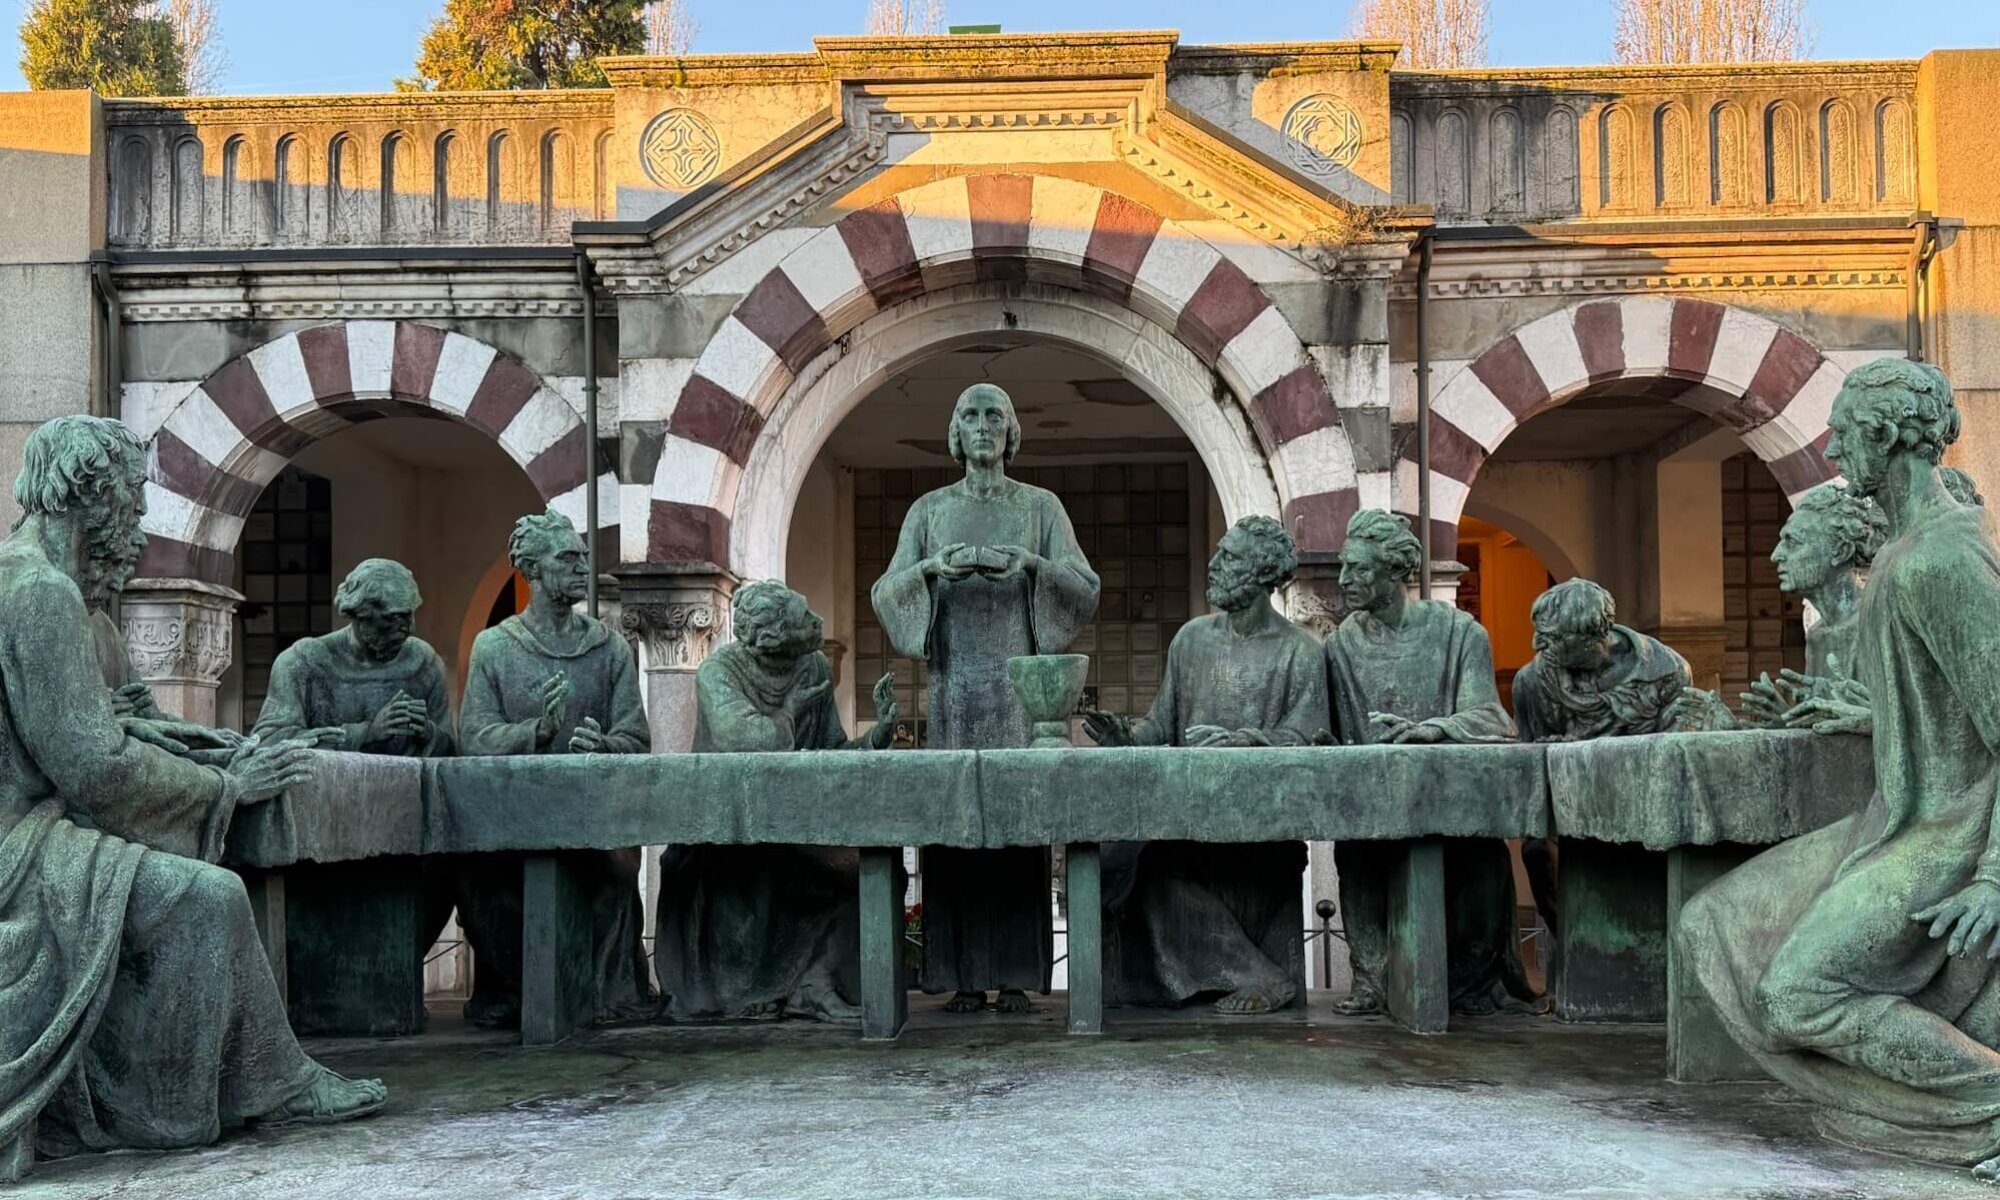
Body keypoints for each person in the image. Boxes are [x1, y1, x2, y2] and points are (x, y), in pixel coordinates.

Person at [0, 415, 380, 1180]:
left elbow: (112, 725)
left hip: (47, 823)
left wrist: (195, 747)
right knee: (208, 898)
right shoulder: (39, 594)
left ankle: (239, 1082)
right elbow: (95, 766)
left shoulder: (58, 594)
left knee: (199, 893)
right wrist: (226, 789)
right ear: (90, 493)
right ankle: (205, 1099)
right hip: (23, 843)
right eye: (132, 498)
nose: (138, 517)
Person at [1678, 358, 2000, 1182]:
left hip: (1946, 833)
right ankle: (1880, 1100)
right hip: (1898, 815)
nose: (1830, 447)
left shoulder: (1942, 561)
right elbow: (1949, 700)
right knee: (1710, 924)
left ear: (1887, 435)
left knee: (1796, 994)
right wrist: (1872, 713)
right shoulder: (1903, 553)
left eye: (1846, 430)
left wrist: (1993, 878)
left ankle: (1986, 1101)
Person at [870, 383, 1099, 1014]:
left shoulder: (1040, 507)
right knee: (957, 828)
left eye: (994, 415)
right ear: (954, 433)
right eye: (968, 415)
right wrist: (930, 570)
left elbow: (1082, 585)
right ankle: (963, 978)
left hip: (1018, 694)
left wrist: (1030, 565)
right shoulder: (928, 511)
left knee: (1017, 829)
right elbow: (887, 590)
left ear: (1011, 432)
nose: (981, 426)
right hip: (951, 693)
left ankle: (1019, 976)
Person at [1082, 516, 1329, 1014]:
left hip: (1255, 838)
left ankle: (1260, 977)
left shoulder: (1300, 654)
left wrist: (1246, 742)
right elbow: (1160, 728)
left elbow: (1309, 744)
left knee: (1152, 875)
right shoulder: (1191, 641)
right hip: (1188, 829)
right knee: (1116, 863)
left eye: (1230, 557)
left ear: (1264, 574)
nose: (1214, 565)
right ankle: (1226, 975)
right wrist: (1124, 738)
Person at [1322, 509, 1535, 1017]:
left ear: (1395, 571)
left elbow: (1490, 717)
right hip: (1375, 804)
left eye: (1359, 569)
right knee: (1358, 856)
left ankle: (1467, 982)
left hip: (1450, 803)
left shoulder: (1459, 633)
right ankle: (1373, 978)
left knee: (1480, 864)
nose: (1345, 580)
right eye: (1343, 568)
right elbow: (1326, 728)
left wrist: (1434, 728)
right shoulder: (1340, 646)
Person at [655, 581, 898, 1023]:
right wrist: (788, 711)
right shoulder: (719, 673)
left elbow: (830, 749)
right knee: (748, 876)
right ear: (772, 636)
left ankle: (816, 983)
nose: (816, 624)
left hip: (795, 824)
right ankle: (748, 989)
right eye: (803, 619)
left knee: (865, 868)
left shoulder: (815, 669)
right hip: (730, 827)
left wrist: (875, 739)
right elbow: (744, 740)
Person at [459, 510, 653, 1029]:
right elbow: (473, 739)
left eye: (583, 558)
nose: (581, 569)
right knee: (485, 878)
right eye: (567, 559)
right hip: (514, 822)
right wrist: (534, 733)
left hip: (593, 820)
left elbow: (637, 739)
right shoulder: (494, 648)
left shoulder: (609, 647)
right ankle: (515, 989)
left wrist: (606, 743)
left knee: (610, 871)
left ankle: (602, 990)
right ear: (532, 568)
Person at [251, 558, 456, 1033]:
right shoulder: (303, 662)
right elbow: (272, 740)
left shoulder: (423, 663)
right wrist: (365, 731)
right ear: (359, 615)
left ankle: (392, 991)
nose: (404, 629)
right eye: (392, 619)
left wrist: (428, 733)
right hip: (322, 831)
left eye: (409, 617)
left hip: (402, 824)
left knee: (449, 868)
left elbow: (451, 748)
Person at [1671, 483, 1887, 731]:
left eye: (1792, 542)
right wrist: (1761, 725)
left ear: (1840, 551)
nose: (1776, 554)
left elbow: (1903, 732)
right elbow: (1826, 742)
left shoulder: (1878, 620)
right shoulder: (1819, 635)